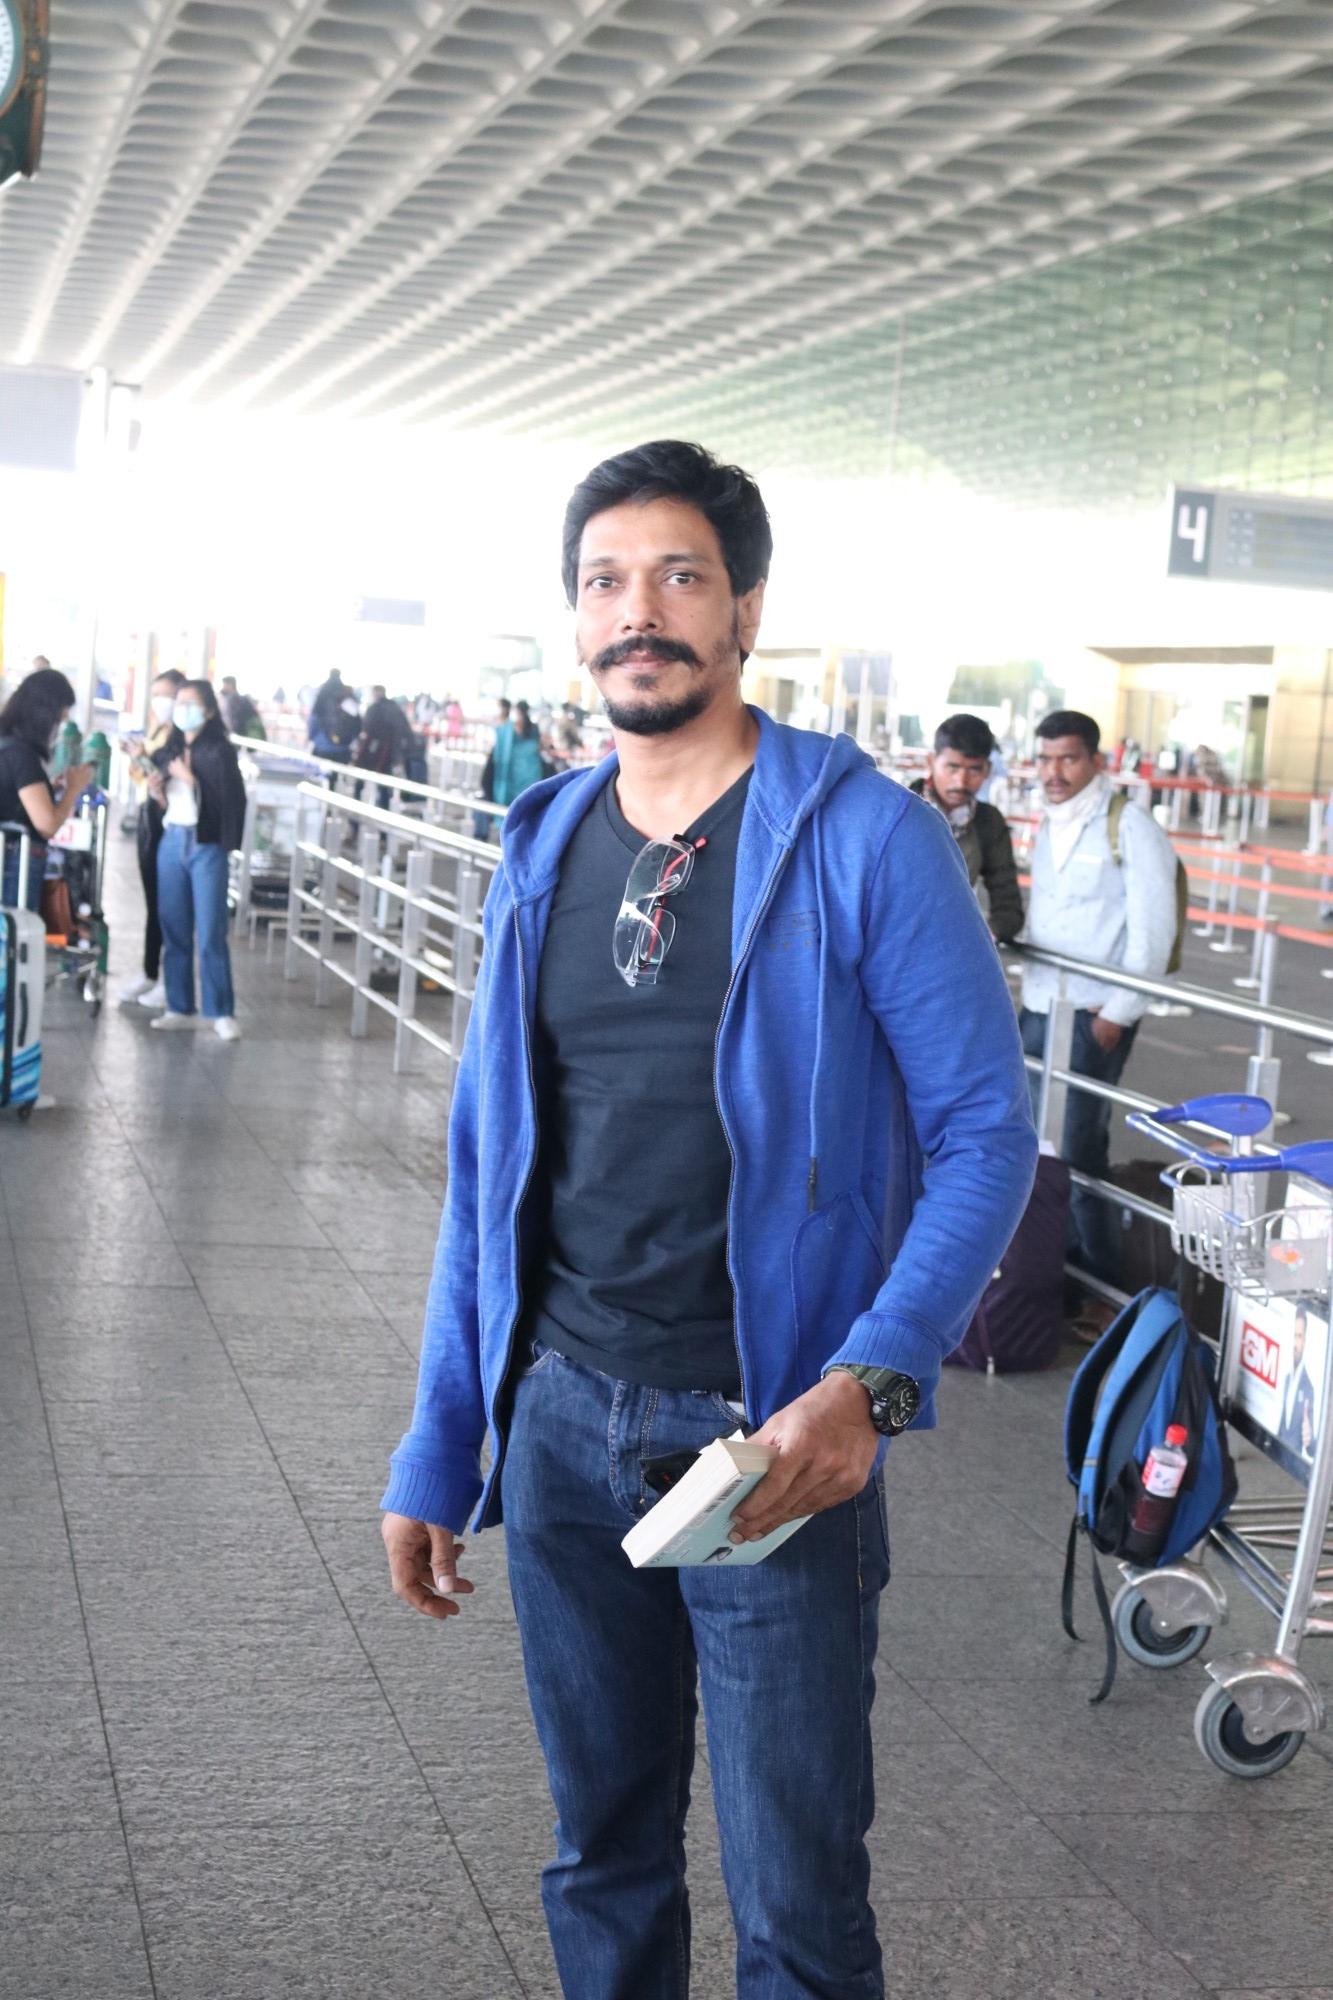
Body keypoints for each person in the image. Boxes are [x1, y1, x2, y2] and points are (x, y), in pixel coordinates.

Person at [380, 439, 1036, 1999]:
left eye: (678, 576)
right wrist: (441, 1435)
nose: (639, 612)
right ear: (576, 618)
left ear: (743, 608)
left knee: (795, 1894)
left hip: (771, 1436)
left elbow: (982, 1135)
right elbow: (488, 1164)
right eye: (604, 582)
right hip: (556, 1418)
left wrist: (869, 1382)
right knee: (598, 1853)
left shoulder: (866, 836)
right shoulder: (540, 841)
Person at [1019, 708, 1179, 1285]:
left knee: (1079, 1149)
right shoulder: (1049, 821)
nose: (1053, 771)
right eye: (1045, 758)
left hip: (1093, 1014)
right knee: (1026, 1140)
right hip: (1040, 1005)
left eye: (1067, 758)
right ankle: (1045, 1271)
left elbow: (1153, 935)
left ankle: (1101, 1283)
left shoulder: (1130, 827)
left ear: (1096, 760)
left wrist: (1117, 1015)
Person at [148, 680, 246, 1041]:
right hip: (173, 838)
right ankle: (178, 1005)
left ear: (207, 710)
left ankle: (221, 1010)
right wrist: (158, 792)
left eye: (189, 702)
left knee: (210, 930)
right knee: (173, 926)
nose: (180, 708)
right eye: (179, 701)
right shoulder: (171, 747)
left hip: (205, 845)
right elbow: (168, 799)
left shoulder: (219, 751)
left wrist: (191, 780)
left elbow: (229, 802)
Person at [909, 713, 1023, 943]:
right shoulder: (898, 810)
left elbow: (1007, 900)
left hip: (947, 947)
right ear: (931, 762)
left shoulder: (988, 822)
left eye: (973, 770)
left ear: (988, 769)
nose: (961, 781)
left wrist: (989, 933)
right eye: (952, 767)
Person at [0, 667, 94, 913]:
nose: (60, 725)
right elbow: (47, 824)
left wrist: (47, 789)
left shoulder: (6, 744)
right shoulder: (22, 755)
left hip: (6, 859)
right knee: (14, 943)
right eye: (59, 717)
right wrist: (74, 789)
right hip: (13, 869)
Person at [117, 668, 185, 1007]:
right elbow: (144, 776)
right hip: (149, 815)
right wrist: (136, 757)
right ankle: (149, 972)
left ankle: (166, 977)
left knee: (167, 902)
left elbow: (161, 774)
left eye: (169, 695)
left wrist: (140, 757)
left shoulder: (180, 738)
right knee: (153, 900)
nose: (163, 701)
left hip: (166, 821)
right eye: (157, 694)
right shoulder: (158, 729)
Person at [356, 684, 415, 808]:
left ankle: (355, 816)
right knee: (384, 786)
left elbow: (366, 729)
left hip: (372, 752)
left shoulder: (374, 708)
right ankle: (383, 814)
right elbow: (406, 731)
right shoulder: (395, 708)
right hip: (390, 753)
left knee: (360, 782)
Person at [489, 696, 547, 806]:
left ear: (517, 710)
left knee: (512, 798)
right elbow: (540, 745)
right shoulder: (534, 727)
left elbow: (502, 743)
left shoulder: (510, 727)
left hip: (515, 769)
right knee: (529, 796)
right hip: (532, 767)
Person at [1279, 1308, 1316, 1462]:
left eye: (1299, 1336)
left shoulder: (1308, 1388)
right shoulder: (1285, 1378)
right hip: (1275, 1456)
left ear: (1305, 1340)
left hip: (1293, 1463)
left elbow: (1311, 1448)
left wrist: (1310, 1440)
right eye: (1293, 1335)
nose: (1295, 1343)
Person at [307, 669, 360, 762]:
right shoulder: (347, 694)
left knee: (320, 774)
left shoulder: (324, 692)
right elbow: (357, 721)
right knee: (338, 774)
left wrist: (311, 736)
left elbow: (314, 718)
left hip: (323, 744)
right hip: (344, 746)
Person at [218, 676, 266, 740]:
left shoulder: (235, 699)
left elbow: (235, 719)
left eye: (224, 685)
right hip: (234, 733)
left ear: (230, 685)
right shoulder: (227, 698)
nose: (223, 687)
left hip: (237, 734)